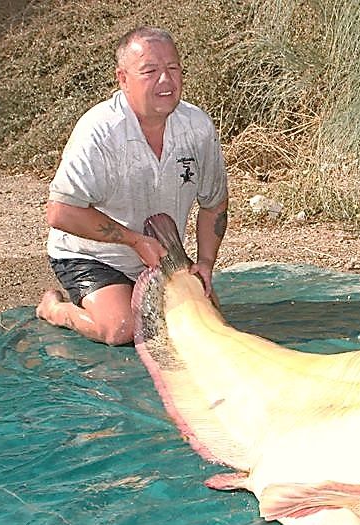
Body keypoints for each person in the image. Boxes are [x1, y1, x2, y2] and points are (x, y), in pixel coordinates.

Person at [36, 26, 229, 345]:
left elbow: (215, 204)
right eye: (150, 71)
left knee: (210, 325)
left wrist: (206, 263)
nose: (166, 80)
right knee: (121, 329)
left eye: (173, 68)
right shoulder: (99, 131)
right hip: (92, 254)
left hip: (161, 253)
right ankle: (55, 309)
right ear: (123, 79)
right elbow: (60, 213)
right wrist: (134, 241)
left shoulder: (197, 127)